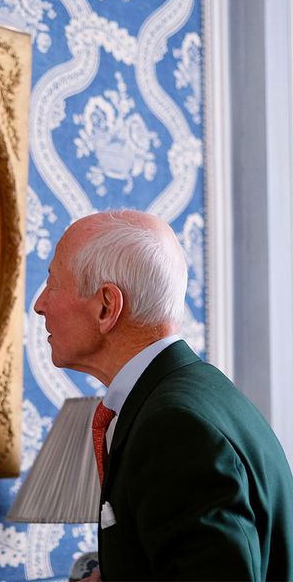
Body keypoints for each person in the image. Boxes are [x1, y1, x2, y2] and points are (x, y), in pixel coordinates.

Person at [34, 209, 293, 581]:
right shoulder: (199, 392)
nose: (40, 304)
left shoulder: (174, 427)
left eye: (52, 283)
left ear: (107, 305)